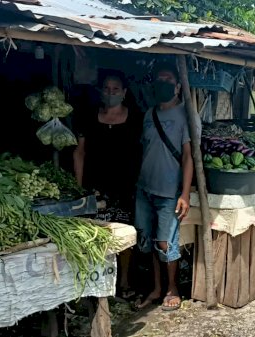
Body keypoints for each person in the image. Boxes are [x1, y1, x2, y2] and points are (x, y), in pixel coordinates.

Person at [73, 73, 143, 300]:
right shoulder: (89, 117)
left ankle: (122, 282)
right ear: (101, 91)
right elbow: (80, 153)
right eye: (107, 88)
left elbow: (144, 151)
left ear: (124, 92)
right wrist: (78, 186)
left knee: (124, 236)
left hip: (125, 187)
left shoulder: (136, 118)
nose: (111, 92)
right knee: (97, 235)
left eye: (116, 88)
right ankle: (98, 284)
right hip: (95, 187)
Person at [134, 62, 194, 311]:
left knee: (166, 244)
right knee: (147, 240)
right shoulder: (149, 114)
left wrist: (184, 193)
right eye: (159, 80)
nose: (163, 84)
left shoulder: (185, 116)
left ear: (178, 87)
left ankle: (172, 288)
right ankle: (157, 288)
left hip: (169, 192)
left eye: (168, 80)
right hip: (144, 188)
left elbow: (189, 156)